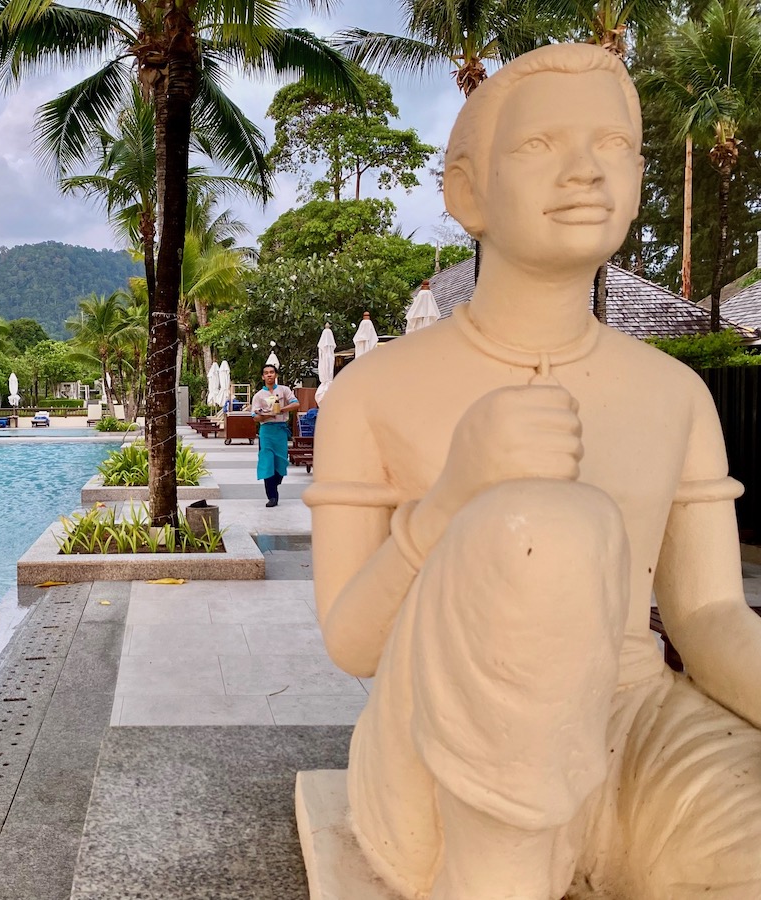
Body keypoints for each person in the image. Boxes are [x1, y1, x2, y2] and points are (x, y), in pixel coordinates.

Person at [306, 43, 761, 900]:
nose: (586, 172)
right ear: (467, 190)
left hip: (632, 725)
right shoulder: (374, 391)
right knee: (543, 528)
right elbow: (352, 642)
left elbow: (706, 615)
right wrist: (454, 498)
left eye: (614, 147)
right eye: (541, 146)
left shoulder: (673, 393)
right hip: (442, 755)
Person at [250, 364, 298, 507]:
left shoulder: (284, 390)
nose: (269, 375)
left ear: (276, 375)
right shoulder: (259, 396)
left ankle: (276, 482)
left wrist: (281, 409)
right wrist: (266, 415)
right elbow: (255, 417)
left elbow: (296, 404)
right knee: (267, 462)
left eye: (271, 372)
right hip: (266, 431)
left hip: (281, 430)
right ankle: (272, 496)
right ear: (262, 377)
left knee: (281, 461)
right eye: (266, 373)